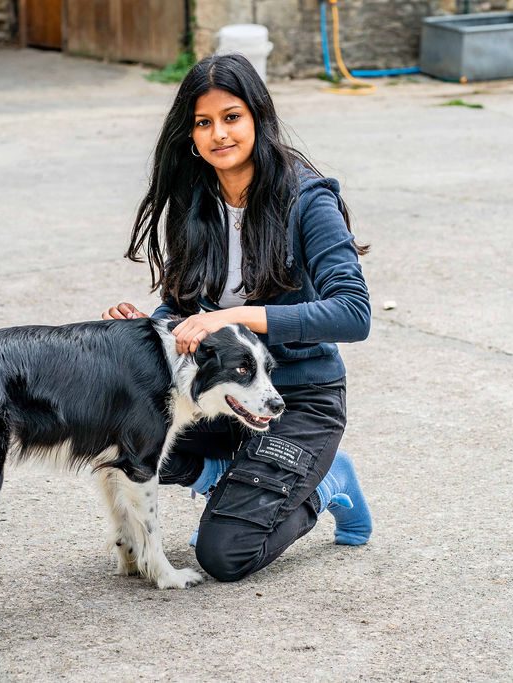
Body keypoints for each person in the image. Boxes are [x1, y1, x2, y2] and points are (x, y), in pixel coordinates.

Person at [102, 53, 372, 582]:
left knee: (224, 554)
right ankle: (239, 475)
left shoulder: (306, 199)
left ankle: (326, 482)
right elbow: (181, 308)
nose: (218, 134)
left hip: (298, 397)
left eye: (231, 117)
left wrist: (241, 315)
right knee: (128, 433)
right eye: (203, 123)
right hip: (227, 391)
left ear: (257, 118)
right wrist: (147, 324)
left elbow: (353, 313)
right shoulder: (195, 199)